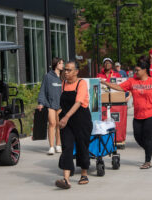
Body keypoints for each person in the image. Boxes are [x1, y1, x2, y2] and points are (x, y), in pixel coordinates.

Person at [101, 57, 152, 169]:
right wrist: (105, 83)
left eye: (137, 70)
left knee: (147, 137)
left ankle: (147, 161)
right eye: (135, 70)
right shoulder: (132, 81)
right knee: (137, 137)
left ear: (145, 70)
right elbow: (119, 87)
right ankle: (149, 149)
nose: (135, 72)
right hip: (138, 115)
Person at [55, 61, 93, 189]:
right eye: (65, 69)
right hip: (67, 121)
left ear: (76, 72)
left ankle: (84, 173)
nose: (66, 72)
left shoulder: (81, 83)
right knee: (67, 146)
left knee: (82, 146)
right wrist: (60, 115)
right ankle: (66, 179)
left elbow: (78, 103)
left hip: (81, 120)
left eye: (69, 70)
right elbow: (62, 103)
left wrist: (65, 117)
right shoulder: (64, 84)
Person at [37, 57, 64, 155]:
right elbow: (42, 90)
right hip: (50, 105)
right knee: (52, 124)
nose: (62, 65)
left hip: (61, 105)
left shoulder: (63, 76)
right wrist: (41, 102)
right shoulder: (48, 76)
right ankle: (51, 147)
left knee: (59, 125)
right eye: (61, 63)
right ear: (56, 64)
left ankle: (58, 145)